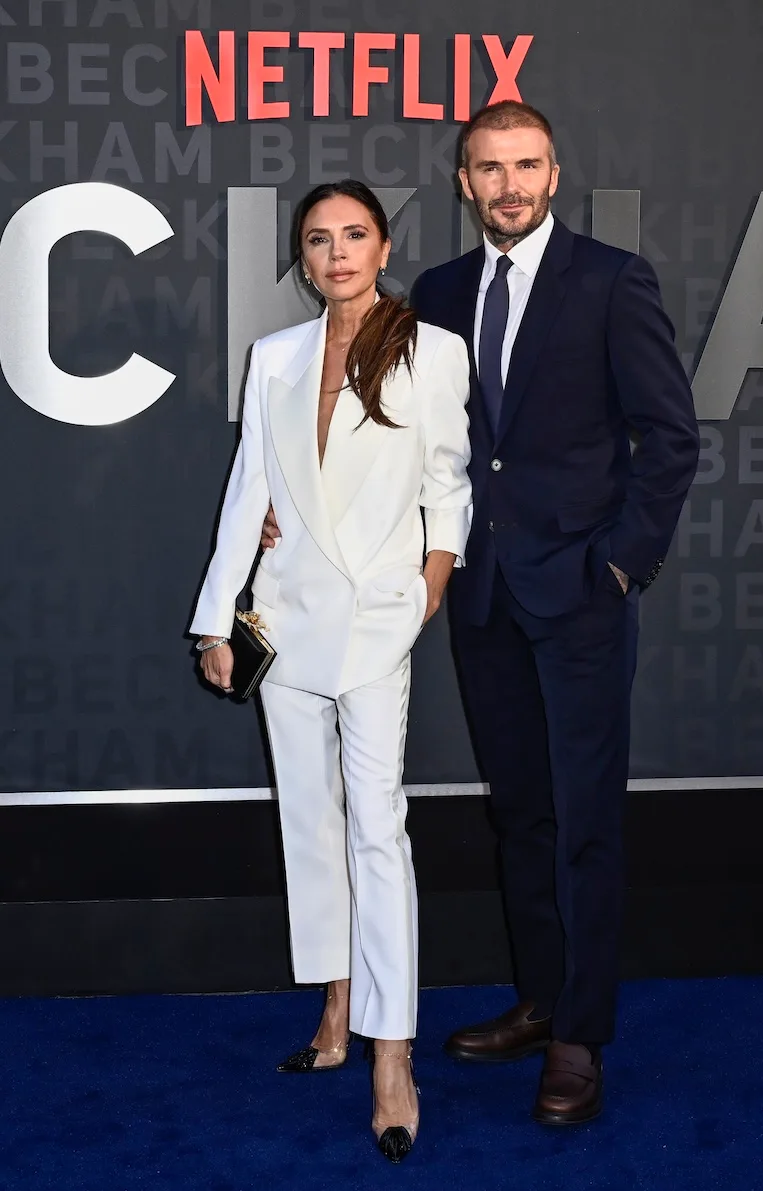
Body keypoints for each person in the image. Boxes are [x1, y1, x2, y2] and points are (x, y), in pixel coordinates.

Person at [260, 101, 700, 1126]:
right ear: (463, 182)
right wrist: (293, 519)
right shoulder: (440, 295)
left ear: (555, 174)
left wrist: (624, 565)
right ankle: (543, 1001)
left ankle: (582, 1039)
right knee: (523, 814)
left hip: (584, 594)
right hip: (484, 595)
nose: (508, 184)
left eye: (527, 165)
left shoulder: (610, 281)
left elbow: (669, 438)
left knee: (585, 821)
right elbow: (395, 444)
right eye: (488, 168)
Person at [191, 179, 472, 1162]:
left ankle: (393, 1051)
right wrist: (214, 621)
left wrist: (430, 584)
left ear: (382, 244)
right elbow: (248, 493)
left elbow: (449, 483)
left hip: (376, 621)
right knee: (308, 821)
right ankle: (336, 1008)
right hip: (287, 612)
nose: (337, 252)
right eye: (318, 239)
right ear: (303, 258)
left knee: (377, 826)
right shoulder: (272, 356)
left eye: (354, 234)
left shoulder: (432, 351)